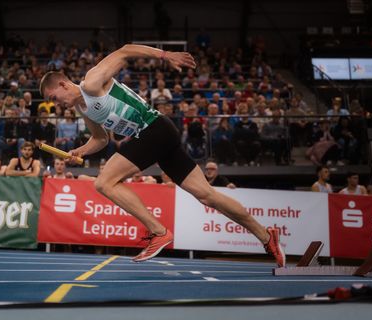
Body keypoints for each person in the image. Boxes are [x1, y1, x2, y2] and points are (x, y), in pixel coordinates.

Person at [39, 44, 285, 266]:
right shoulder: (84, 109)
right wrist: (79, 151)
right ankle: (266, 236)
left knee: (104, 182)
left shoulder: (91, 82)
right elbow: (101, 139)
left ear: (62, 84)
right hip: (156, 138)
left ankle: (158, 232)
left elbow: (124, 51)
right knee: (207, 195)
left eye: (54, 98)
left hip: (154, 129)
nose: (56, 104)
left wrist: (166, 55)